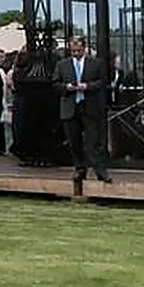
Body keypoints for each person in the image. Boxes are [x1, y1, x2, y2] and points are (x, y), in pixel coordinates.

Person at [54, 35, 111, 183]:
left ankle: (100, 170)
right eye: (73, 51)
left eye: (78, 51)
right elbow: (55, 84)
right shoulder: (62, 65)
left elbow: (103, 82)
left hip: (90, 106)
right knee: (74, 141)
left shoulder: (96, 63)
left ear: (84, 49)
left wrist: (87, 86)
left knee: (94, 141)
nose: (76, 54)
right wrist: (67, 87)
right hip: (70, 107)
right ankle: (80, 169)